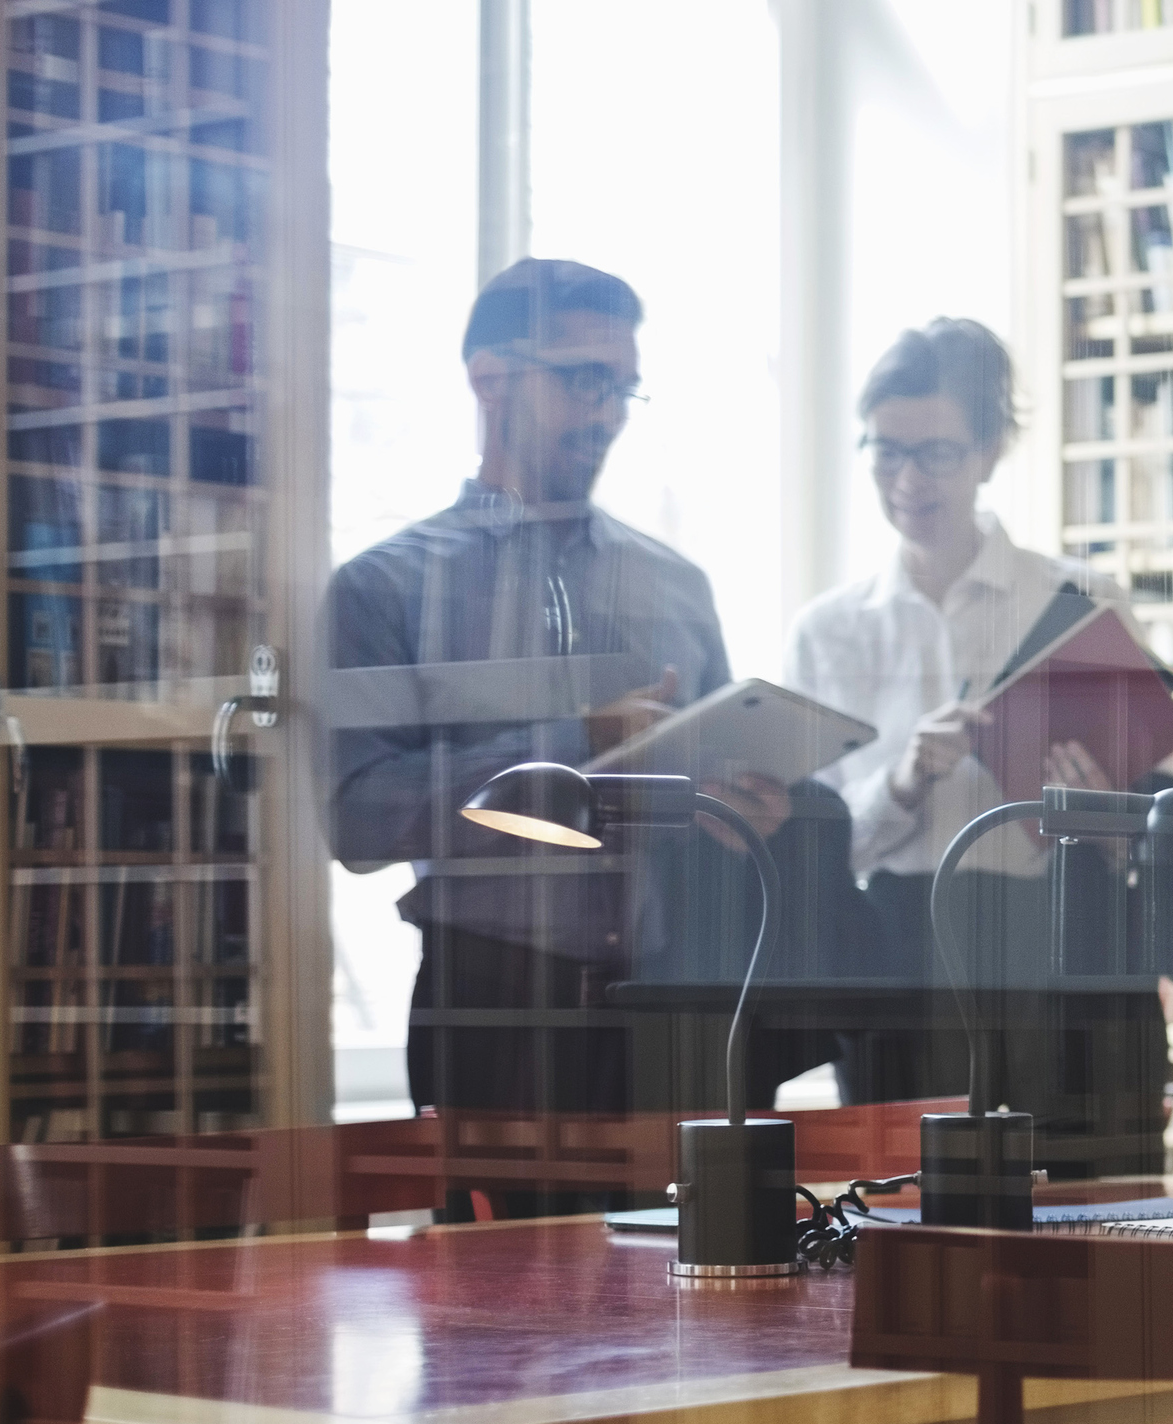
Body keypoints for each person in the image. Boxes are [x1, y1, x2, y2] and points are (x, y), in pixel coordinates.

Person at [325, 259, 847, 1182]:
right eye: (582, 379)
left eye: (621, 387)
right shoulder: (385, 587)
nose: (605, 413)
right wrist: (581, 746)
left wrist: (746, 813)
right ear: (489, 377)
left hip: (672, 1009)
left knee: (690, 1307)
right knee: (494, 1315)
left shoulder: (675, 585)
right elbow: (358, 817)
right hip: (488, 1007)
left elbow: (708, 794)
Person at [782, 319, 1173, 1162]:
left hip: (1069, 942)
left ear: (990, 448)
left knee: (1102, 1216)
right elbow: (821, 854)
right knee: (909, 1223)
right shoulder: (828, 633)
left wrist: (1100, 810)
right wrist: (901, 779)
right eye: (884, 450)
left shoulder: (1084, 597)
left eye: (935, 452)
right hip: (907, 954)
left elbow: (1158, 817)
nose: (906, 478)